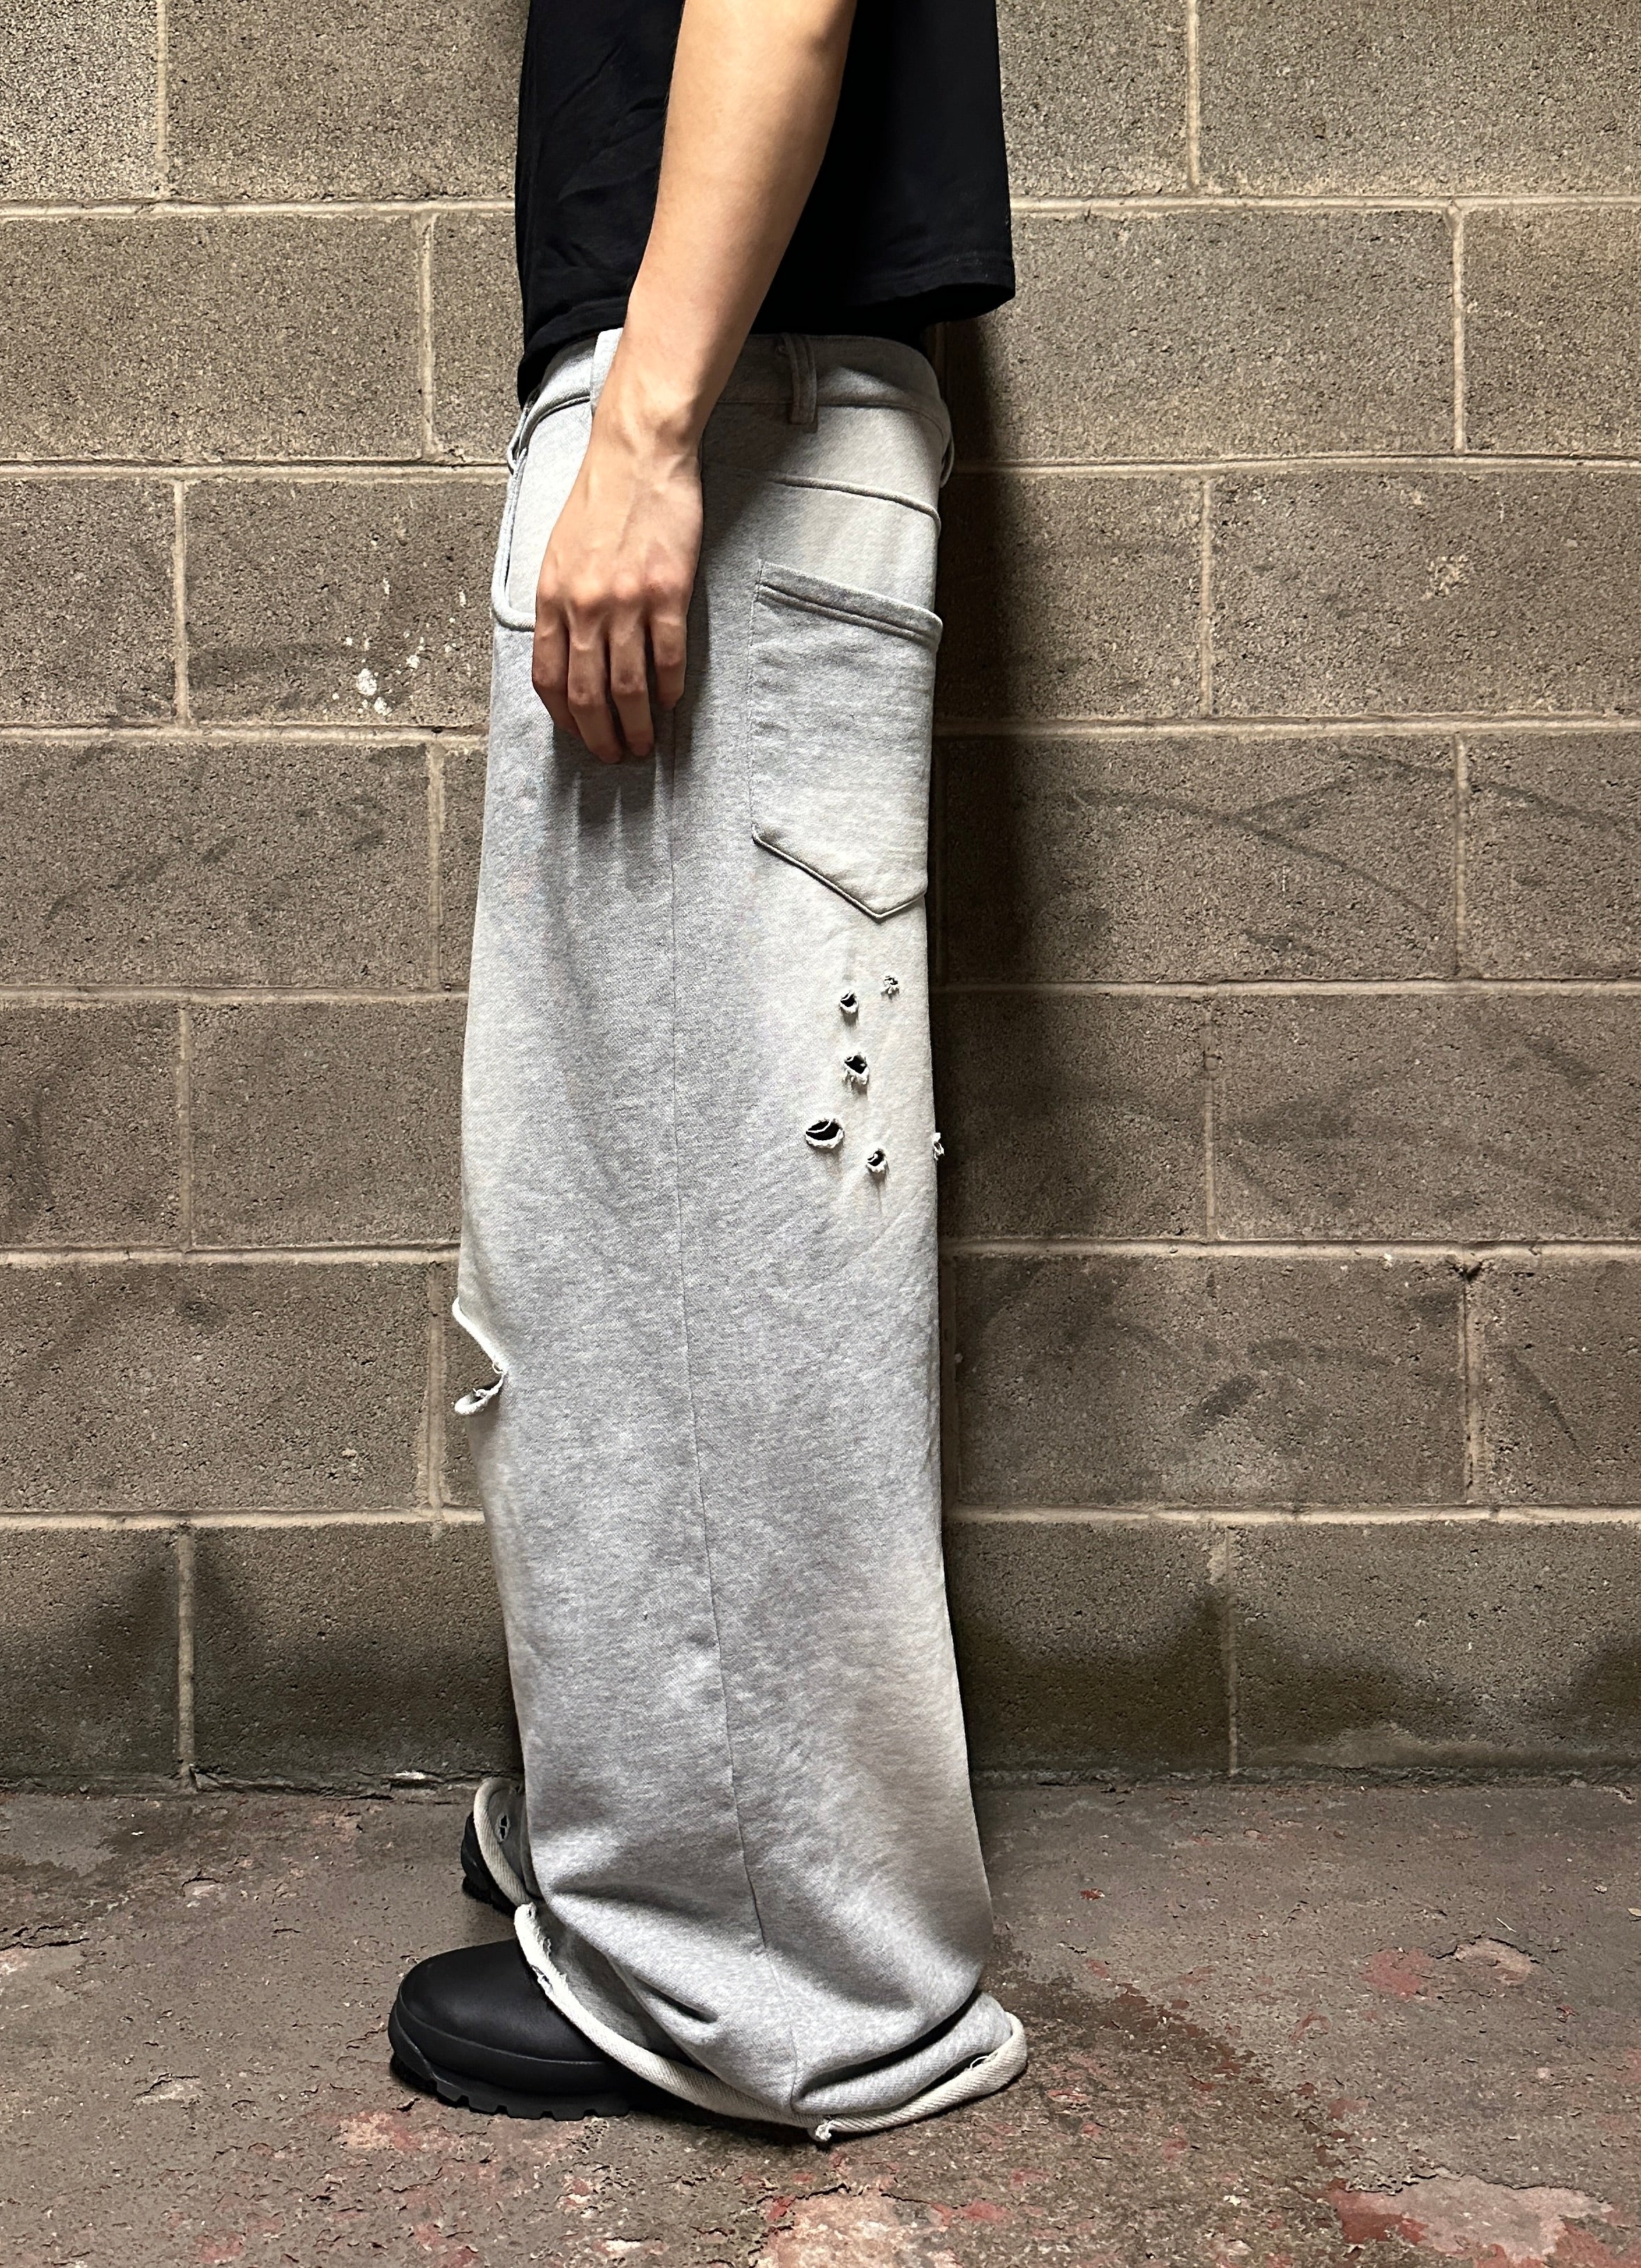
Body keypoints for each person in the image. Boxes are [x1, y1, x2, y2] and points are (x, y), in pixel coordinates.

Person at [386, 0, 1024, 2139]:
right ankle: (661, 1828)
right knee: (627, 1235)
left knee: (700, 1253)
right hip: (739, 404)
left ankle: (770, 1980)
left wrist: (649, 433)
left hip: (727, 420)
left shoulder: (694, 416)